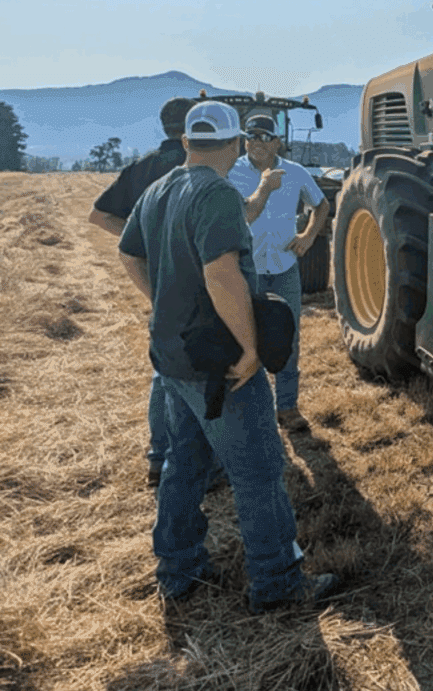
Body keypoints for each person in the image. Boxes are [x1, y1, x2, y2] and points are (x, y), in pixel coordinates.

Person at [117, 100, 340, 611]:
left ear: (188, 142)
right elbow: (222, 274)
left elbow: (128, 253)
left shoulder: (159, 189)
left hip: (172, 356)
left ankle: (177, 569)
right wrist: (247, 350)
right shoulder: (216, 192)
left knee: (183, 464)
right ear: (237, 143)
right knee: (259, 471)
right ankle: (279, 583)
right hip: (218, 360)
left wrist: (163, 300)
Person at [89, 96, 197, 488]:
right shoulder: (199, 167)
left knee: (164, 365)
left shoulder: (141, 168)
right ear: (192, 128)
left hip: (155, 273)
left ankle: (159, 456)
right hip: (197, 271)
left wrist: (141, 240)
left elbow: (98, 214)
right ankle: (198, 456)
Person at [228, 113, 329, 431]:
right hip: (248, 270)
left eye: (263, 136)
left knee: (289, 338)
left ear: (277, 142)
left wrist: (308, 237)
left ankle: (287, 407)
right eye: (251, 135)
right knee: (246, 338)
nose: (255, 141)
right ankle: (251, 409)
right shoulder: (230, 172)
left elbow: (322, 205)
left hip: (285, 269)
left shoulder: (296, 173)